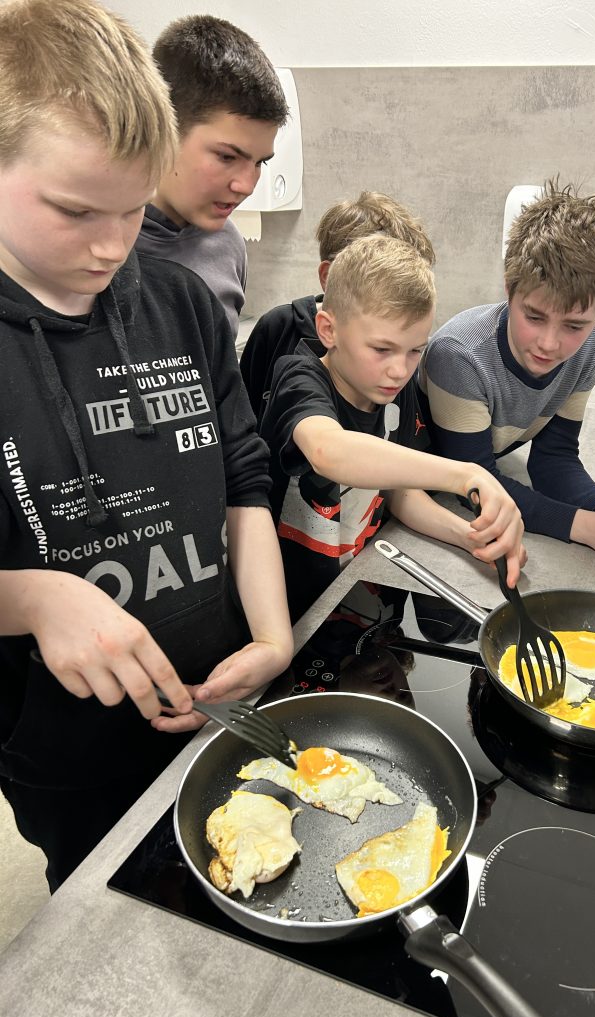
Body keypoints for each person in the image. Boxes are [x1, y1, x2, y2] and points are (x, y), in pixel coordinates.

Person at [0, 0, 293, 891]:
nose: (110, 246)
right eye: (76, 210)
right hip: (66, 748)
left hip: (218, 692)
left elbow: (242, 475)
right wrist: (33, 598)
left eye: (132, 210)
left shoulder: (180, 301)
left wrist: (272, 636)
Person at [259, 233, 525, 622]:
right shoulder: (298, 378)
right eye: (381, 349)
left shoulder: (392, 391)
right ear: (328, 330)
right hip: (289, 614)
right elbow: (328, 451)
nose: (400, 370)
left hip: (358, 605)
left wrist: (470, 538)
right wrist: (467, 474)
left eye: (415, 350)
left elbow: (398, 491)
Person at [419, 180, 595, 565]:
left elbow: (553, 458)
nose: (549, 344)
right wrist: (587, 527)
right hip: (422, 496)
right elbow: (472, 484)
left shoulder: (589, 348)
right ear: (509, 290)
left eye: (574, 325)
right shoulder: (460, 356)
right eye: (534, 317)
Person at [135, 14, 288, 341]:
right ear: (164, 128)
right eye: (227, 157)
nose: (246, 186)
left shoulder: (228, 243)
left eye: (260, 162)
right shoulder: (97, 247)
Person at [240, 190, 436, 423]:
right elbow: (242, 418)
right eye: (381, 349)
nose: (398, 370)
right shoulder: (280, 330)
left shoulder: (403, 354)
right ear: (328, 274)